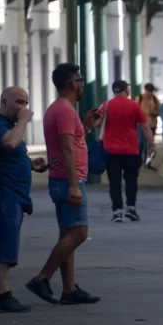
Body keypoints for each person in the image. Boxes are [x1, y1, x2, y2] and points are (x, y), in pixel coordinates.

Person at [25, 62, 102, 306]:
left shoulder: (60, 109)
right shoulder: (65, 111)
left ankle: (69, 290)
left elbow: (71, 143)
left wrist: (87, 125)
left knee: (68, 232)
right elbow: (67, 149)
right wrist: (74, 185)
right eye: (80, 80)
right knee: (79, 233)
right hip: (69, 180)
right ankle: (42, 277)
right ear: (73, 83)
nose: (82, 84)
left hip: (61, 178)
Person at [0, 86, 49, 313]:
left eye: (26, 102)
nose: (23, 107)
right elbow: (9, 143)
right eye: (18, 102)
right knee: (3, 246)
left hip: (9, 194)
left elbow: (11, 152)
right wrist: (23, 122)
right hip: (0, 194)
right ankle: (3, 296)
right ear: (3, 102)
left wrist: (30, 164)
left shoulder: (7, 126)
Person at [98, 80, 155, 222]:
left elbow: (97, 123)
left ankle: (117, 212)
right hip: (131, 150)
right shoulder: (134, 106)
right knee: (131, 180)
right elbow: (145, 127)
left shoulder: (106, 105)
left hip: (111, 150)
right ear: (126, 90)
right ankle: (131, 209)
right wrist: (152, 144)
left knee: (114, 182)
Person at [136, 83, 160, 165]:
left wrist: (154, 113)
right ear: (145, 90)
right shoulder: (139, 98)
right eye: (149, 91)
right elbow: (135, 110)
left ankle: (148, 162)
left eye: (151, 91)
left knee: (150, 144)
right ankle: (138, 160)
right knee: (140, 143)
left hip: (152, 124)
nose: (150, 93)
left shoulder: (155, 99)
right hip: (141, 125)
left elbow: (159, 111)